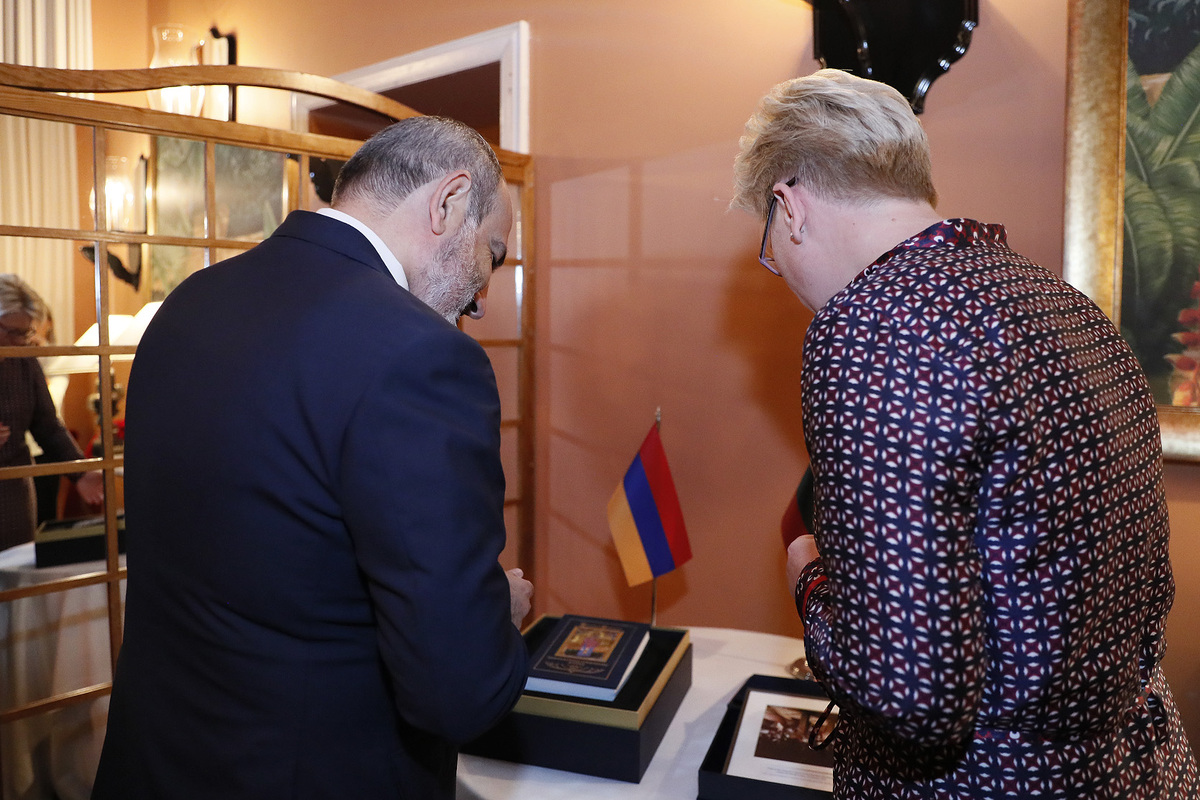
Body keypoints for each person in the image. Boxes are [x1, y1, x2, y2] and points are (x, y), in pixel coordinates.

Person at [733, 69, 1199, 798]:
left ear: (789, 207)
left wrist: (810, 581)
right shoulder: (1064, 303)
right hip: (1140, 764)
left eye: (770, 246)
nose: (782, 273)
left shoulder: (872, 325)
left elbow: (909, 695)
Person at [92, 116, 533, 800]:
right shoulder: (420, 353)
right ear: (448, 203)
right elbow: (456, 693)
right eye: (492, 255)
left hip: (157, 760)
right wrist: (493, 613)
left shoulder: (190, 302)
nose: (482, 298)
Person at [0, 274, 104, 551]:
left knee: (17, 571)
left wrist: (80, 472)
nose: (20, 341)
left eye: (26, 332)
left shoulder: (23, 359)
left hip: (14, 492)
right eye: (12, 332)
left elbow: (47, 425)